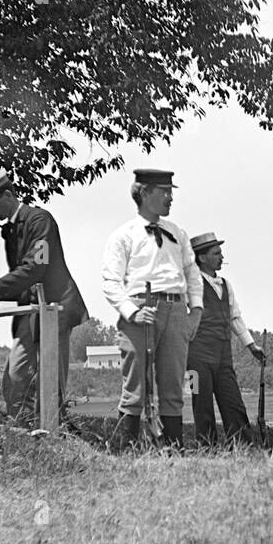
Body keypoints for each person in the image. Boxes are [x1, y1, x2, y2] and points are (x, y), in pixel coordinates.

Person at [0, 170, 88, 425]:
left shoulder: (40, 220)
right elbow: (22, 277)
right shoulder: (10, 231)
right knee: (15, 378)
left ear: (8, 195)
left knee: (50, 380)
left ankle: (55, 433)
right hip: (30, 312)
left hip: (56, 310)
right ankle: (22, 433)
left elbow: (35, 268)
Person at [101, 169, 203, 450]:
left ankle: (174, 449)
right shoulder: (123, 235)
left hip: (176, 310)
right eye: (164, 192)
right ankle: (128, 450)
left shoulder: (177, 233)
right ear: (144, 193)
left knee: (173, 386)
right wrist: (131, 312)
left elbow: (192, 273)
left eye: (171, 192)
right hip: (140, 310)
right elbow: (110, 282)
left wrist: (195, 311)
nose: (170, 198)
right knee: (135, 388)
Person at [186, 232, 266, 447]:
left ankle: (243, 448)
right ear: (202, 258)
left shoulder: (226, 285)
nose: (222, 257)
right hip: (195, 358)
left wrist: (251, 346)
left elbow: (235, 317)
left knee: (233, 404)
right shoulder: (189, 285)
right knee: (201, 405)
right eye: (217, 253)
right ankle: (207, 450)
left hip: (223, 355)